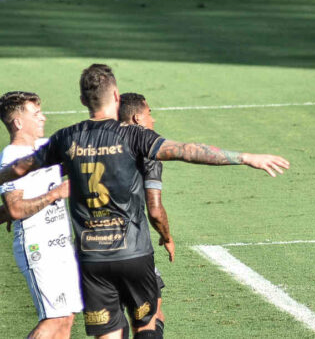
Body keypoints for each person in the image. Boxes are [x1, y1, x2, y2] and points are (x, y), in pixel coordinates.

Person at [0, 64, 290, 339]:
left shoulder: (65, 138)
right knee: (148, 325)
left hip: (92, 259)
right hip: (132, 253)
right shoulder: (133, 135)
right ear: (116, 96)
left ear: (82, 100)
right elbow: (186, 150)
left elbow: (18, 168)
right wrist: (245, 157)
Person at [0, 91, 83, 338]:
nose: (43, 118)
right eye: (36, 114)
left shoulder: (45, 147)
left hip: (61, 245)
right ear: (17, 122)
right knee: (52, 318)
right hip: (38, 248)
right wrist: (55, 194)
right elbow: (15, 208)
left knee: (66, 318)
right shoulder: (11, 158)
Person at [118, 92, 171, 339]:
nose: (153, 120)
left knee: (111, 328)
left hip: (92, 247)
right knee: (151, 317)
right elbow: (155, 208)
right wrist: (166, 236)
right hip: (133, 247)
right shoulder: (147, 148)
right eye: (150, 114)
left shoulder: (95, 140)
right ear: (138, 117)